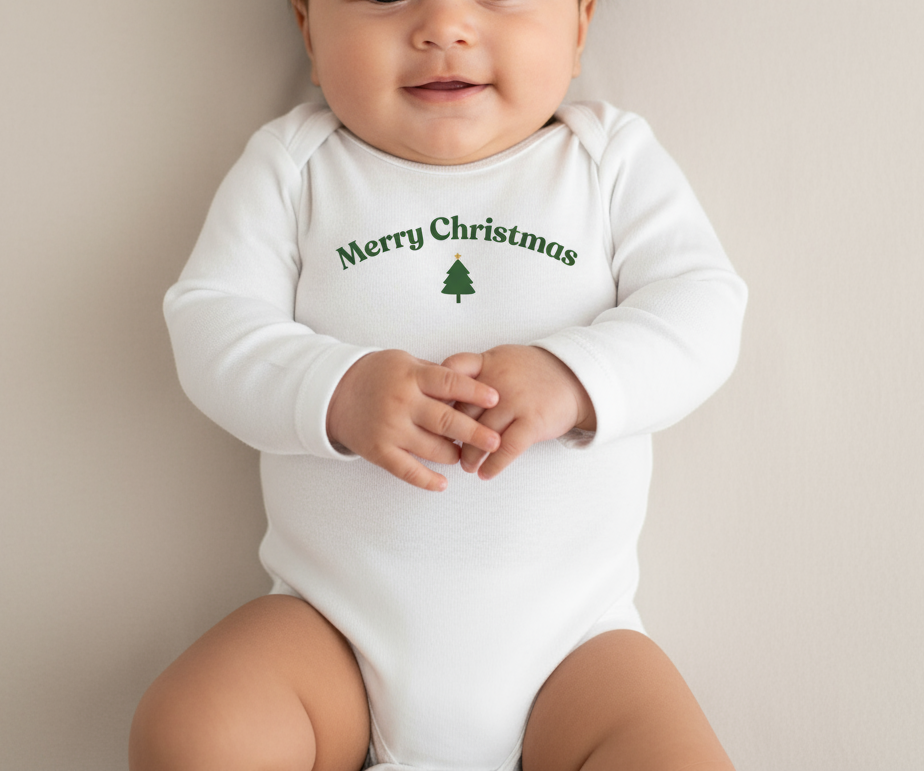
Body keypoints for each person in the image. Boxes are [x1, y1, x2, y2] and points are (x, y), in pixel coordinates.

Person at [129, 0, 747, 768]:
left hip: (575, 646)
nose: (444, 27)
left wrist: (574, 377)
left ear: (582, 23)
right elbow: (210, 323)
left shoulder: (607, 158)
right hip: (332, 631)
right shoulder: (297, 164)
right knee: (195, 726)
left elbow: (703, 308)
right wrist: (340, 388)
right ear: (308, 31)